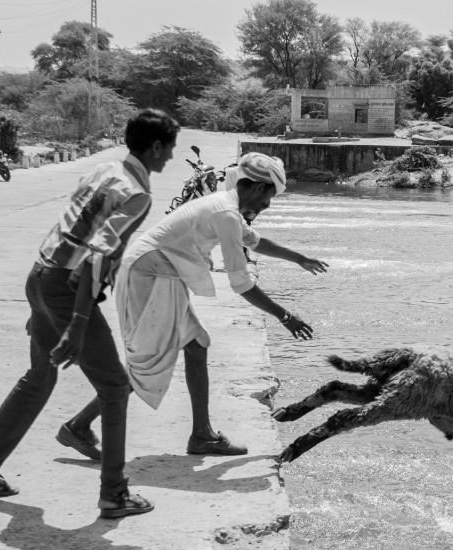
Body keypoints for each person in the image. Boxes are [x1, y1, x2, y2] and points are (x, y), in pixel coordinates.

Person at [0, 109, 181, 519]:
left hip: (41, 275)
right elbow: (97, 256)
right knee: (115, 387)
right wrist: (75, 324)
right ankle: (114, 493)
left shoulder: (105, 170)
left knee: (39, 377)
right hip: (64, 288)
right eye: (168, 150)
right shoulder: (137, 193)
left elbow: (71, 230)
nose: (169, 159)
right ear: (154, 147)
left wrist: (42, 302)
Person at [58, 152, 329, 458]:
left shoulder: (226, 206)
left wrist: (299, 259)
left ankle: (202, 434)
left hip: (159, 273)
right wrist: (285, 316)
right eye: (268, 199)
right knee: (148, 364)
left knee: (197, 345)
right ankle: (78, 425)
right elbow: (241, 283)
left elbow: (254, 241)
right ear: (256, 188)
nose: (266, 207)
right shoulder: (225, 214)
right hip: (152, 275)